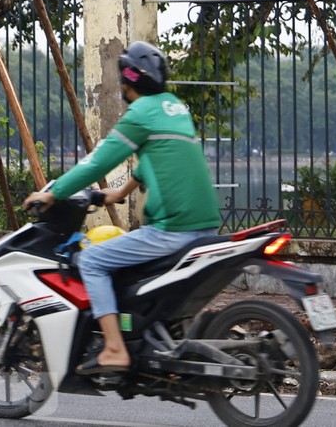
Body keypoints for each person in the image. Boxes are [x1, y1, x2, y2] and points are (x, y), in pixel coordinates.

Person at [22, 40, 220, 374]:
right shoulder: (174, 107)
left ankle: (114, 348)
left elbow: (96, 164)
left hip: (172, 229)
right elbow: (164, 158)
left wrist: (55, 192)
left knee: (93, 259)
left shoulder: (140, 114)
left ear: (127, 79)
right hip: (206, 227)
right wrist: (119, 192)